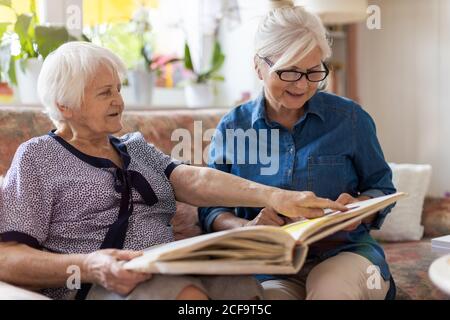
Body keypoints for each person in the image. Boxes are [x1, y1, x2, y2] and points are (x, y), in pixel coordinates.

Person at [0, 41, 346, 300]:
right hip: (101, 284)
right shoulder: (38, 157)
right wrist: (90, 265)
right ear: (65, 105)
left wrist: (276, 196)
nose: (119, 100)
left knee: (244, 291)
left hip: (169, 268)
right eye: (105, 93)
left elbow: (192, 179)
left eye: (119, 89)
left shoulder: (133, 147)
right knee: (184, 298)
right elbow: (7, 258)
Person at [199, 2, 397, 300]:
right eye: (289, 72)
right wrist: (247, 226)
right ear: (258, 66)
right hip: (270, 265)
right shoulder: (233, 127)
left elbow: (382, 188)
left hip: (345, 253)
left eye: (313, 71)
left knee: (331, 289)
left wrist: (358, 209)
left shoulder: (350, 119)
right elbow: (211, 207)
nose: (303, 85)